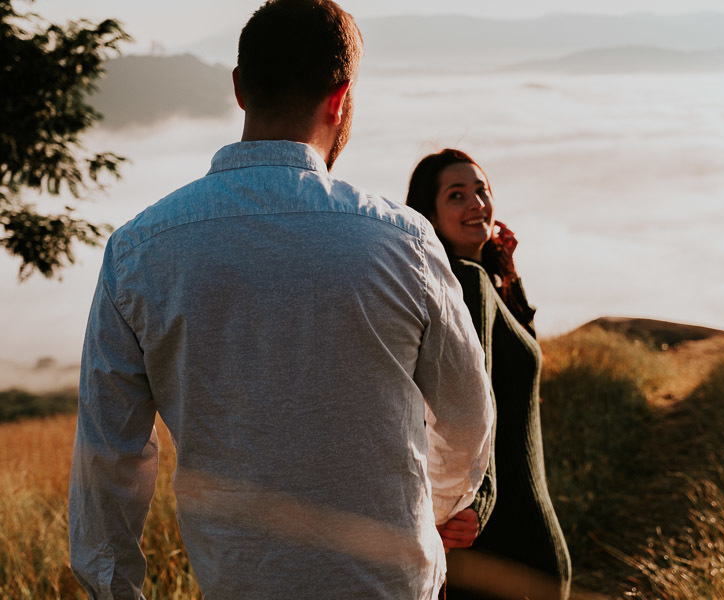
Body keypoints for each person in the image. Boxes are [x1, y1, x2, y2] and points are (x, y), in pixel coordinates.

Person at [68, 2, 493, 599]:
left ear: (240, 88)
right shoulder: (404, 241)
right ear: (340, 97)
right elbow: (467, 418)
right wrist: (436, 510)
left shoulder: (139, 250)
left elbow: (107, 458)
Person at [406, 149, 572, 600]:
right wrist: (480, 501)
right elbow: (473, 405)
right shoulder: (468, 282)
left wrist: (510, 277)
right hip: (505, 544)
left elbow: (519, 359)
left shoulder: (475, 281)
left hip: (504, 545)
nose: (476, 202)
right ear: (431, 215)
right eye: (456, 195)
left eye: (481, 190)